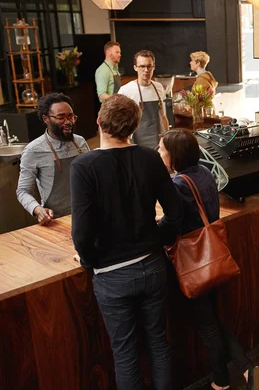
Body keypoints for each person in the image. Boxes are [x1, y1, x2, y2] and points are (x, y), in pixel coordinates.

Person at [71, 94, 183, 390]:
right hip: (152, 265)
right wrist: (156, 239)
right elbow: (175, 212)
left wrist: (90, 261)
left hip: (112, 275)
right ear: (133, 126)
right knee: (159, 343)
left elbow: (81, 233)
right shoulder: (149, 157)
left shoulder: (83, 166)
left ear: (98, 121)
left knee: (125, 353)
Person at [157, 129, 259, 390]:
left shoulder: (179, 184)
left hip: (193, 261)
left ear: (174, 155)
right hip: (213, 255)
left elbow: (174, 225)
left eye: (161, 148)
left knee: (208, 325)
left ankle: (223, 380)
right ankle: (247, 369)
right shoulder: (204, 172)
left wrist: (156, 227)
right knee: (213, 319)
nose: (158, 152)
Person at [16, 93, 89, 224]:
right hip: (56, 220)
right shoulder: (33, 150)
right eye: (61, 117)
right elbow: (23, 191)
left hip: (86, 213)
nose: (68, 122)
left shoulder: (80, 142)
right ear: (46, 119)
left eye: (71, 116)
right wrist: (38, 209)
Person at [118, 50, 169, 149]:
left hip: (158, 141)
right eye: (142, 66)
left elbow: (163, 116)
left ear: (153, 67)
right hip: (136, 142)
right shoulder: (125, 90)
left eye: (149, 66)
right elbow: (121, 122)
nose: (146, 70)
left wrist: (167, 136)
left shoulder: (158, 87)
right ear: (135, 68)